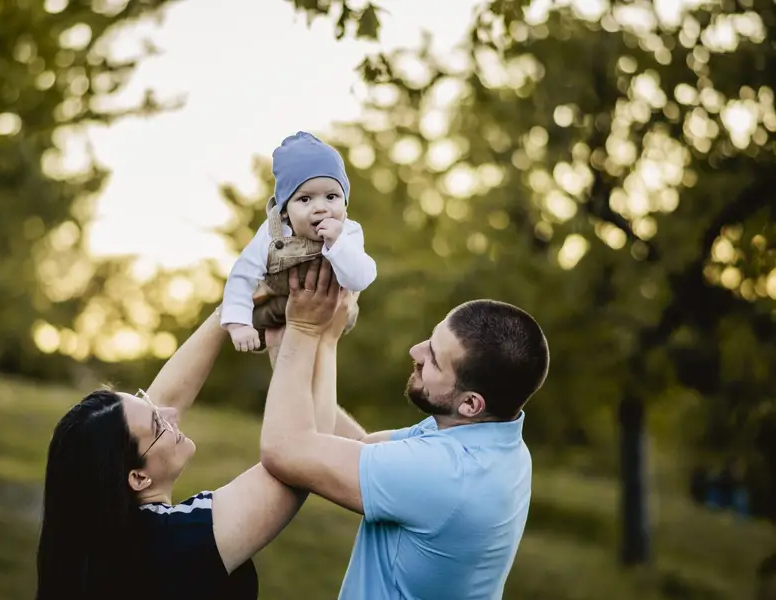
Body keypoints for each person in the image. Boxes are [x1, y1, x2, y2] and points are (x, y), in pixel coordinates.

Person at [260, 259, 550, 599]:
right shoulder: (489, 437)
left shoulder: (447, 472)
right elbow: (358, 448)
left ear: (471, 404)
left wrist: (305, 331)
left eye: (433, 359)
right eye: (430, 339)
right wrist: (318, 343)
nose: (415, 351)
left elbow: (284, 450)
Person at [35, 299, 359, 600]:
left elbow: (162, 406)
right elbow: (301, 453)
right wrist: (311, 332)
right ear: (137, 477)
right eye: (159, 424)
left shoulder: (96, 546)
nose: (171, 415)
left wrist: (230, 308)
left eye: (149, 404)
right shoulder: (175, 541)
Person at [220, 131, 376, 352]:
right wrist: (238, 325)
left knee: (319, 355)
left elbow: (361, 278)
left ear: (345, 200)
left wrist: (338, 243)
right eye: (305, 199)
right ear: (284, 211)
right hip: (278, 306)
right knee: (274, 338)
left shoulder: (348, 232)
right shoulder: (272, 233)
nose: (321, 207)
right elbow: (242, 275)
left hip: (333, 308)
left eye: (331, 197)